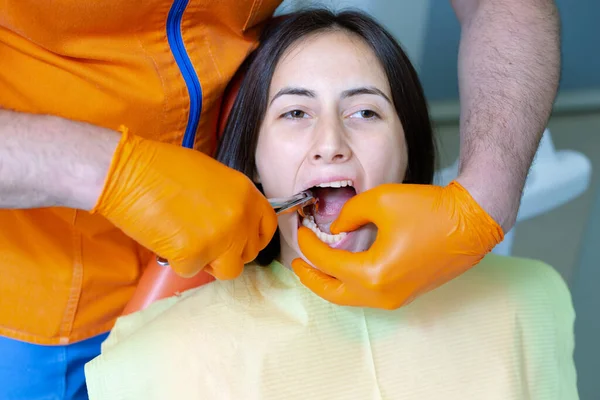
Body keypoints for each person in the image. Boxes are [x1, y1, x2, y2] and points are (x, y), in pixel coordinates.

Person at [0, 0, 561, 398]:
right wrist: (114, 172)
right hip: (29, 285)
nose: (330, 144)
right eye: (295, 112)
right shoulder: (172, 356)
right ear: (253, 149)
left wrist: (483, 202)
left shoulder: (523, 307)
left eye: (364, 111)